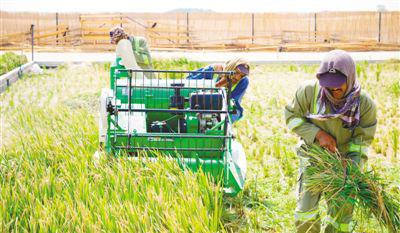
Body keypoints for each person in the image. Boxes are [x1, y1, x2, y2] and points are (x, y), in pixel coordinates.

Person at [284, 50, 377, 233]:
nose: (334, 91)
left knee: (341, 214)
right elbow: (292, 117)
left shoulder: (364, 105)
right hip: (314, 157)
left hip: (346, 163)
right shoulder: (309, 92)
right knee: (305, 211)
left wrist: (350, 167)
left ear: (350, 78)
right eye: (329, 86)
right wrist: (318, 134)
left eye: (338, 86)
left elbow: (361, 143)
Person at [187, 58, 250, 123]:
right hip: (200, 100)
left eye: (242, 76)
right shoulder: (214, 69)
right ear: (231, 67)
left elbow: (234, 102)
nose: (237, 77)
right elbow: (188, 81)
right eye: (236, 72)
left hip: (223, 104)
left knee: (229, 118)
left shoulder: (243, 81)